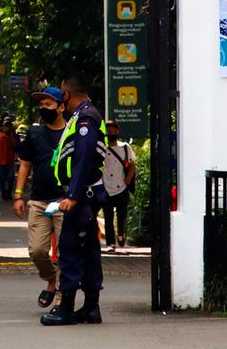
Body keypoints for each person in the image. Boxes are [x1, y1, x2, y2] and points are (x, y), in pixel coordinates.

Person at [41, 75, 107, 326]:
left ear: (67, 94)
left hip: (84, 194)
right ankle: (91, 308)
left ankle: (66, 308)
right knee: (89, 250)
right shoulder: (83, 115)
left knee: (69, 248)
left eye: (61, 96)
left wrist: (73, 196)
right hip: (86, 193)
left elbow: (83, 158)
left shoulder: (86, 118)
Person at [14, 87, 68, 310]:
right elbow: (25, 164)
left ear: (61, 107)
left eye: (49, 104)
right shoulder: (34, 134)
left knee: (66, 251)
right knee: (36, 250)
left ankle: (62, 296)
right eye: (41, 105)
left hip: (65, 200)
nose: (43, 108)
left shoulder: (72, 133)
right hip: (38, 200)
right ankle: (51, 279)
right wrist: (18, 195)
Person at [101, 120, 136, 251]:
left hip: (121, 187)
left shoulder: (125, 147)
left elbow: (132, 164)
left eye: (114, 131)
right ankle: (111, 243)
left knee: (122, 215)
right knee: (108, 216)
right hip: (106, 187)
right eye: (109, 131)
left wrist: (128, 179)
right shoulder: (101, 148)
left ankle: (121, 234)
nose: (112, 133)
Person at [0, 118, 18, 204]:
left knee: (11, 178)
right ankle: (4, 194)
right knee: (2, 179)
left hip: (10, 161)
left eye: (9, 127)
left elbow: (15, 147)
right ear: (3, 127)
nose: (7, 129)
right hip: (1, 161)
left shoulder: (12, 136)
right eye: (6, 127)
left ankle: (9, 193)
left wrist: (12, 136)